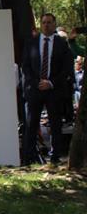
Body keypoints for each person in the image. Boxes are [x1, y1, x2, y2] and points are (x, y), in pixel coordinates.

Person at [22, 13, 73, 165]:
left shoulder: (61, 43)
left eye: (49, 22)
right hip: (35, 89)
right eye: (43, 22)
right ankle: (29, 156)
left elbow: (67, 68)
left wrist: (51, 83)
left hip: (54, 90)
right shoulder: (31, 42)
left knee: (55, 123)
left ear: (54, 24)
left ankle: (55, 155)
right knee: (31, 123)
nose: (46, 25)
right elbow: (26, 66)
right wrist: (37, 82)